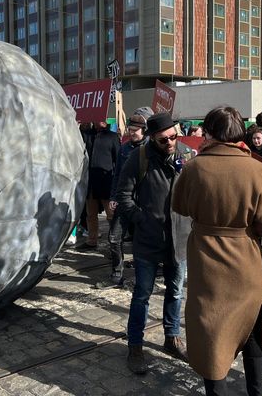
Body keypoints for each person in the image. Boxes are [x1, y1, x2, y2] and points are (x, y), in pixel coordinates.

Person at [173, 106, 262, 396]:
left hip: (207, 265)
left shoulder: (194, 167)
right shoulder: (257, 168)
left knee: (211, 337)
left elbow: (179, 206)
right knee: (254, 334)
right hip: (247, 263)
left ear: (210, 132)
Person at [116, 112, 190, 375]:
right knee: (142, 294)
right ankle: (135, 345)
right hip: (148, 240)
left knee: (176, 292)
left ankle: (172, 337)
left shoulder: (187, 155)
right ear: (152, 139)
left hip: (179, 239)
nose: (170, 143)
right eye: (163, 140)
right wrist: (142, 220)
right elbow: (123, 195)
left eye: (173, 137)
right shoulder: (140, 157)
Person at [106, 111, 152, 286]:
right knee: (114, 238)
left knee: (141, 240)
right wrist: (113, 196)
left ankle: (143, 275)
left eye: (135, 130)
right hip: (123, 200)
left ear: (144, 131)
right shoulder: (124, 148)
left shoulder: (150, 148)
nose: (131, 133)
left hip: (142, 202)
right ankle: (117, 273)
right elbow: (117, 174)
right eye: (130, 129)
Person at [78, 120, 119, 250]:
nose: (99, 122)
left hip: (107, 182)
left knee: (111, 215)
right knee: (91, 214)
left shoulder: (112, 137)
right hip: (90, 183)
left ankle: (114, 242)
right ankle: (92, 240)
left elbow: (117, 159)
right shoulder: (87, 134)